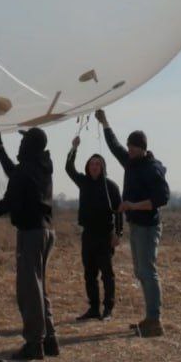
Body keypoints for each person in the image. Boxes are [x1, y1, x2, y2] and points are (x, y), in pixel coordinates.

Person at [0, 126, 58, 360]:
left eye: (24, 141)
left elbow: (8, 200)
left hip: (31, 234)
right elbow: (14, 173)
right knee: (38, 287)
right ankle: (50, 340)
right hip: (45, 231)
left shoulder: (27, 169)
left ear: (30, 146)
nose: (21, 144)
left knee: (29, 289)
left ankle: (34, 344)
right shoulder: (42, 165)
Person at [95, 108, 169, 338]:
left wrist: (131, 205)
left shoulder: (152, 168)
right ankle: (149, 318)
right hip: (136, 226)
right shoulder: (130, 162)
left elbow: (161, 199)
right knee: (140, 271)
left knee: (148, 272)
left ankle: (154, 321)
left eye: (132, 147)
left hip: (147, 226)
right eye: (128, 147)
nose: (128, 150)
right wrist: (105, 122)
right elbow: (114, 146)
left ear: (142, 148)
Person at [64, 135, 122, 321]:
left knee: (107, 274)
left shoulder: (110, 186)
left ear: (103, 167)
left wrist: (118, 234)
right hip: (88, 234)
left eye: (98, 164)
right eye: (92, 164)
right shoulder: (83, 182)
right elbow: (68, 168)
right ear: (88, 167)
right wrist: (73, 148)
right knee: (89, 274)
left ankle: (108, 310)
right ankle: (94, 308)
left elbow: (119, 211)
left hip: (106, 235)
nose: (94, 166)